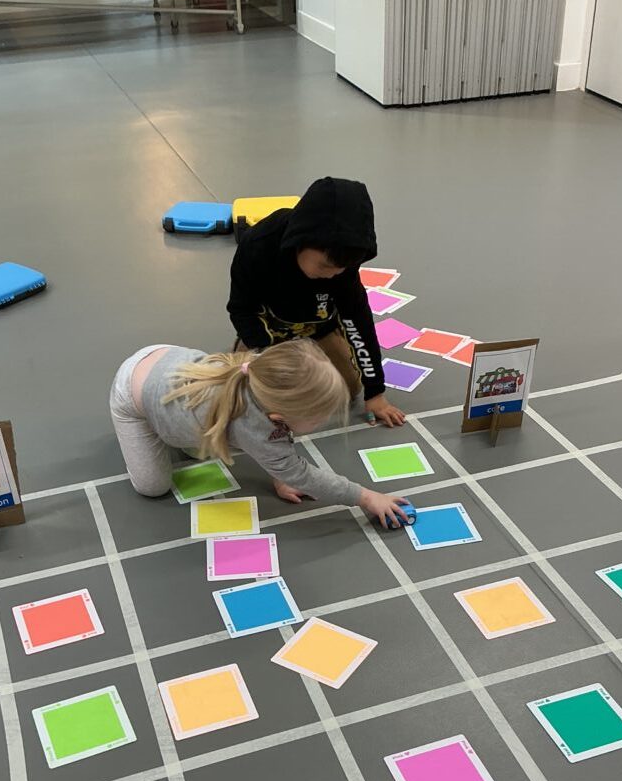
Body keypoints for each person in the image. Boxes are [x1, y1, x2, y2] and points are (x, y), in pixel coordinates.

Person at [110, 340, 411, 527]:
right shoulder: (253, 426)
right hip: (132, 394)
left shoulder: (261, 372)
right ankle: (156, 427)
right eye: (319, 417)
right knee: (153, 487)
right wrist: (366, 497)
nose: (324, 421)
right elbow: (303, 475)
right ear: (278, 418)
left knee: (205, 444)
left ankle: (177, 423)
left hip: (165, 356)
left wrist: (279, 474)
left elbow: (276, 445)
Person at [226, 177, 406, 428]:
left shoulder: (343, 266)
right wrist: (267, 352)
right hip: (269, 333)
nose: (332, 275)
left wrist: (375, 392)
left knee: (345, 389)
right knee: (251, 395)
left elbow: (358, 322)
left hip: (318, 331)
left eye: (340, 269)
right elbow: (241, 309)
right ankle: (248, 353)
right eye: (324, 266)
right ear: (301, 241)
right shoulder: (258, 246)